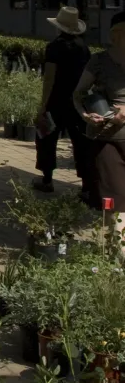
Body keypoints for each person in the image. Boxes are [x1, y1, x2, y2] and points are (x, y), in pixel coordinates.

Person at [74, 14, 125, 251]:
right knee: (114, 196)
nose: (119, 36)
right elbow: (78, 94)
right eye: (116, 32)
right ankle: (118, 251)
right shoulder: (99, 61)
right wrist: (86, 114)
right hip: (107, 138)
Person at [34, 5, 92, 198]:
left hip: (56, 100)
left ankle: (47, 179)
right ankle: (85, 185)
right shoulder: (84, 48)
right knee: (81, 142)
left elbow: (49, 78)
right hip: (77, 100)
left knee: (47, 138)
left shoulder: (54, 47)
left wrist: (43, 106)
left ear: (59, 26)